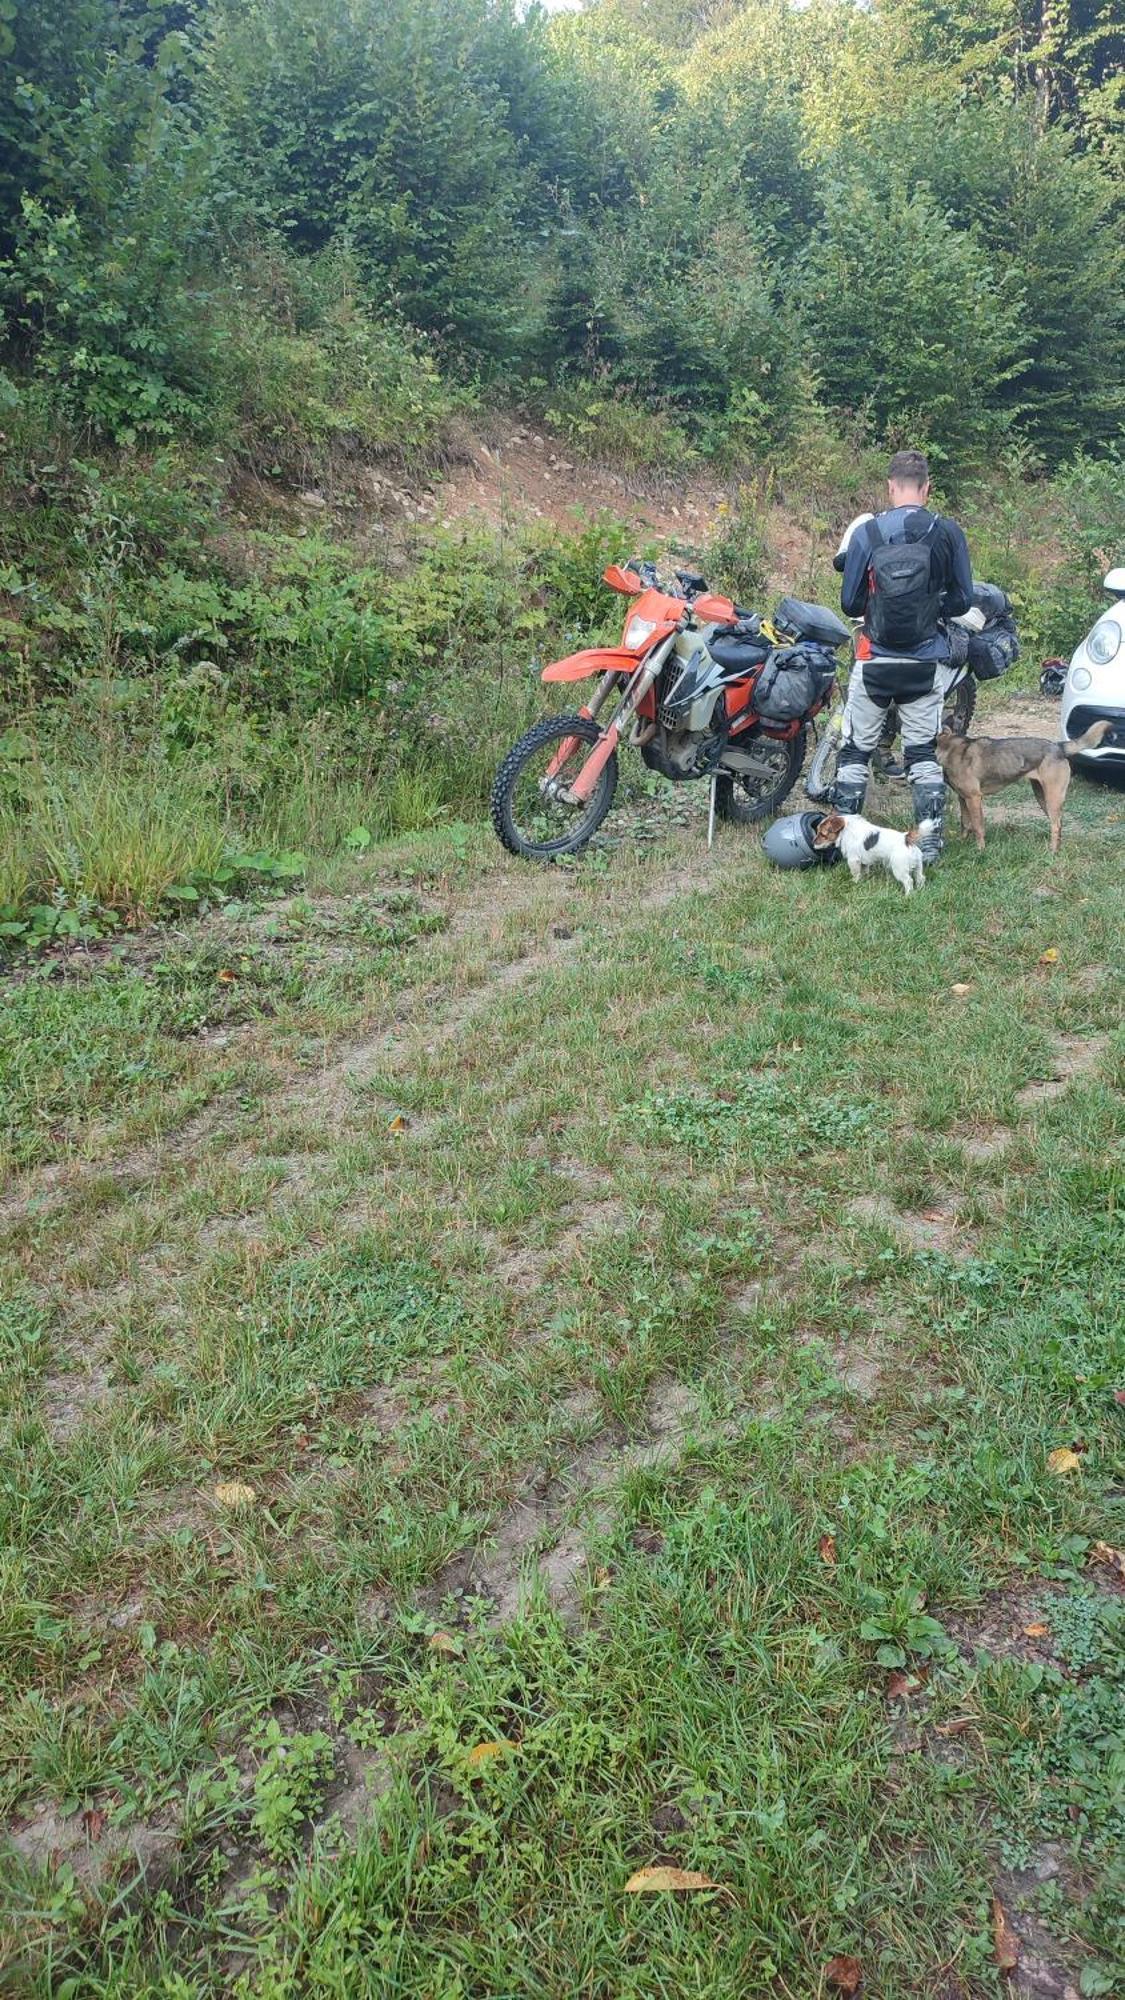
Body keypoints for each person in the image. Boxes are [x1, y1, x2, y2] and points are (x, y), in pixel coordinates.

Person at [833, 449, 973, 861]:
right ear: (927, 489)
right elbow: (963, 599)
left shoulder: (867, 533)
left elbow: (848, 601)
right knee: (921, 755)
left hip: (874, 659)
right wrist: (932, 609)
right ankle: (928, 846)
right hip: (923, 661)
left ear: (890, 487)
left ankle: (846, 842)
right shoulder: (946, 532)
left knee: (856, 750)